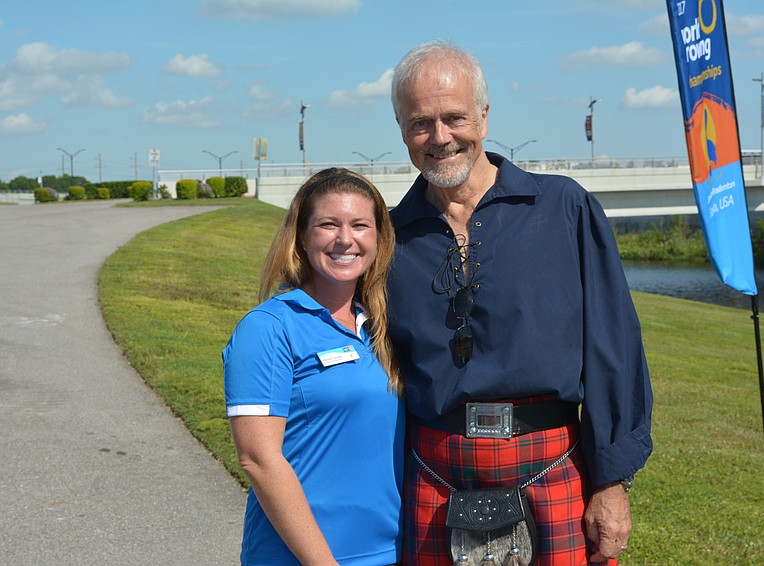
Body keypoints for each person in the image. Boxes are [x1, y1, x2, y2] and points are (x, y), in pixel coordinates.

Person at [387, 41, 653, 565]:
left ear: (484, 116)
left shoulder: (564, 209)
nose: (440, 137)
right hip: (434, 470)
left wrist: (611, 482)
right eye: (420, 123)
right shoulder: (389, 238)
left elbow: (613, 348)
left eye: (454, 117)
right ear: (401, 128)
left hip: (553, 463)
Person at [223, 168, 405, 565]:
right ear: (302, 237)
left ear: (379, 238)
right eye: (328, 225)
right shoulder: (269, 327)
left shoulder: (380, 326)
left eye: (360, 225)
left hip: (388, 550)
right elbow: (258, 459)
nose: (345, 239)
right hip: (301, 557)